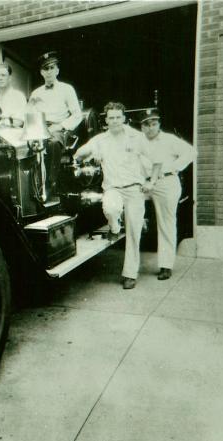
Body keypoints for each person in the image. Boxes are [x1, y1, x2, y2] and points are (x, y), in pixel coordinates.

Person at [73, 102, 146, 290]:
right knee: (111, 209)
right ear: (106, 120)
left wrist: (148, 181)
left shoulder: (136, 137)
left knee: (134, 232)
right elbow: (78, 154)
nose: (114, 121)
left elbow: (151, 158)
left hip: (134, 189)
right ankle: (114, 228)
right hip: (113, 188)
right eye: (111, 118)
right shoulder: (100, 140)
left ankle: (130, 274)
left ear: (124, 118)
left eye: (118, 117)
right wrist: (91, 153)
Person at [139, 108, 197, 280]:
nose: (150, 128)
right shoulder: (137, 141)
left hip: (166, 182)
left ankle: (166, 265)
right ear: (141, 127)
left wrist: (173, 167)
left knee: (166, 223)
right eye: (146, 124)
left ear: (159, 124)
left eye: (154, 123)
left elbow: (191, 152)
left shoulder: (169, 139)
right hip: (143, 183)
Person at [28, 51, 82, 196]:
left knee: (51, 143)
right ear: (41, 72)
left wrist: (60, 126)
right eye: (46, 69)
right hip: (39, 128)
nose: (49, 72)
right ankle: (29, 186)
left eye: (52, 68)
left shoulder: (67, 89)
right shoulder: (36, 93)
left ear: (57, 70)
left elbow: (77, 115)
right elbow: (29, 115)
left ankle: (51, 183)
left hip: (61, 129)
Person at [0, 63, 27, 128]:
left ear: (10, 78)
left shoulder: (19, 97)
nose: (0, 78)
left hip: (12, 135)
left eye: (3, 75)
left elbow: (19, 122)